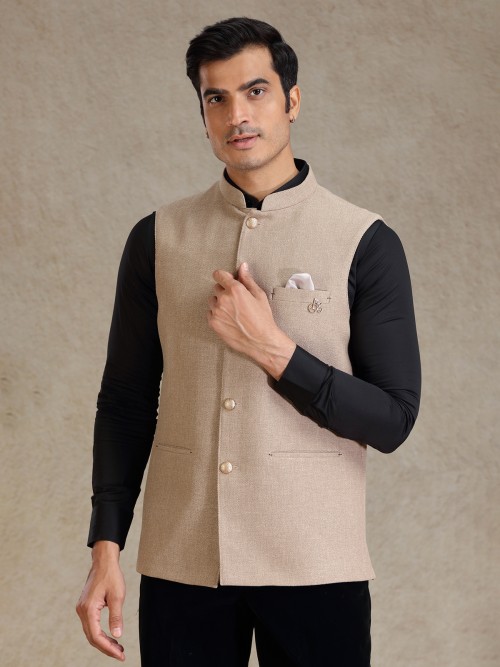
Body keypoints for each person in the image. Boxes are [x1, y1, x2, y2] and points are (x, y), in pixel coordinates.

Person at [76, 16, 420, 667]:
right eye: (217, 98)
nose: (237, 114)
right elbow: (124, 402)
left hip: (317, 564)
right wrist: (105, 548)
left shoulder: (365, 241)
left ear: (292, 100)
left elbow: (393, 419)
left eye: (256, 91)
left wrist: (274, 351)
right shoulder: (157, 238)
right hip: (182, 563)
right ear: (202, 114)